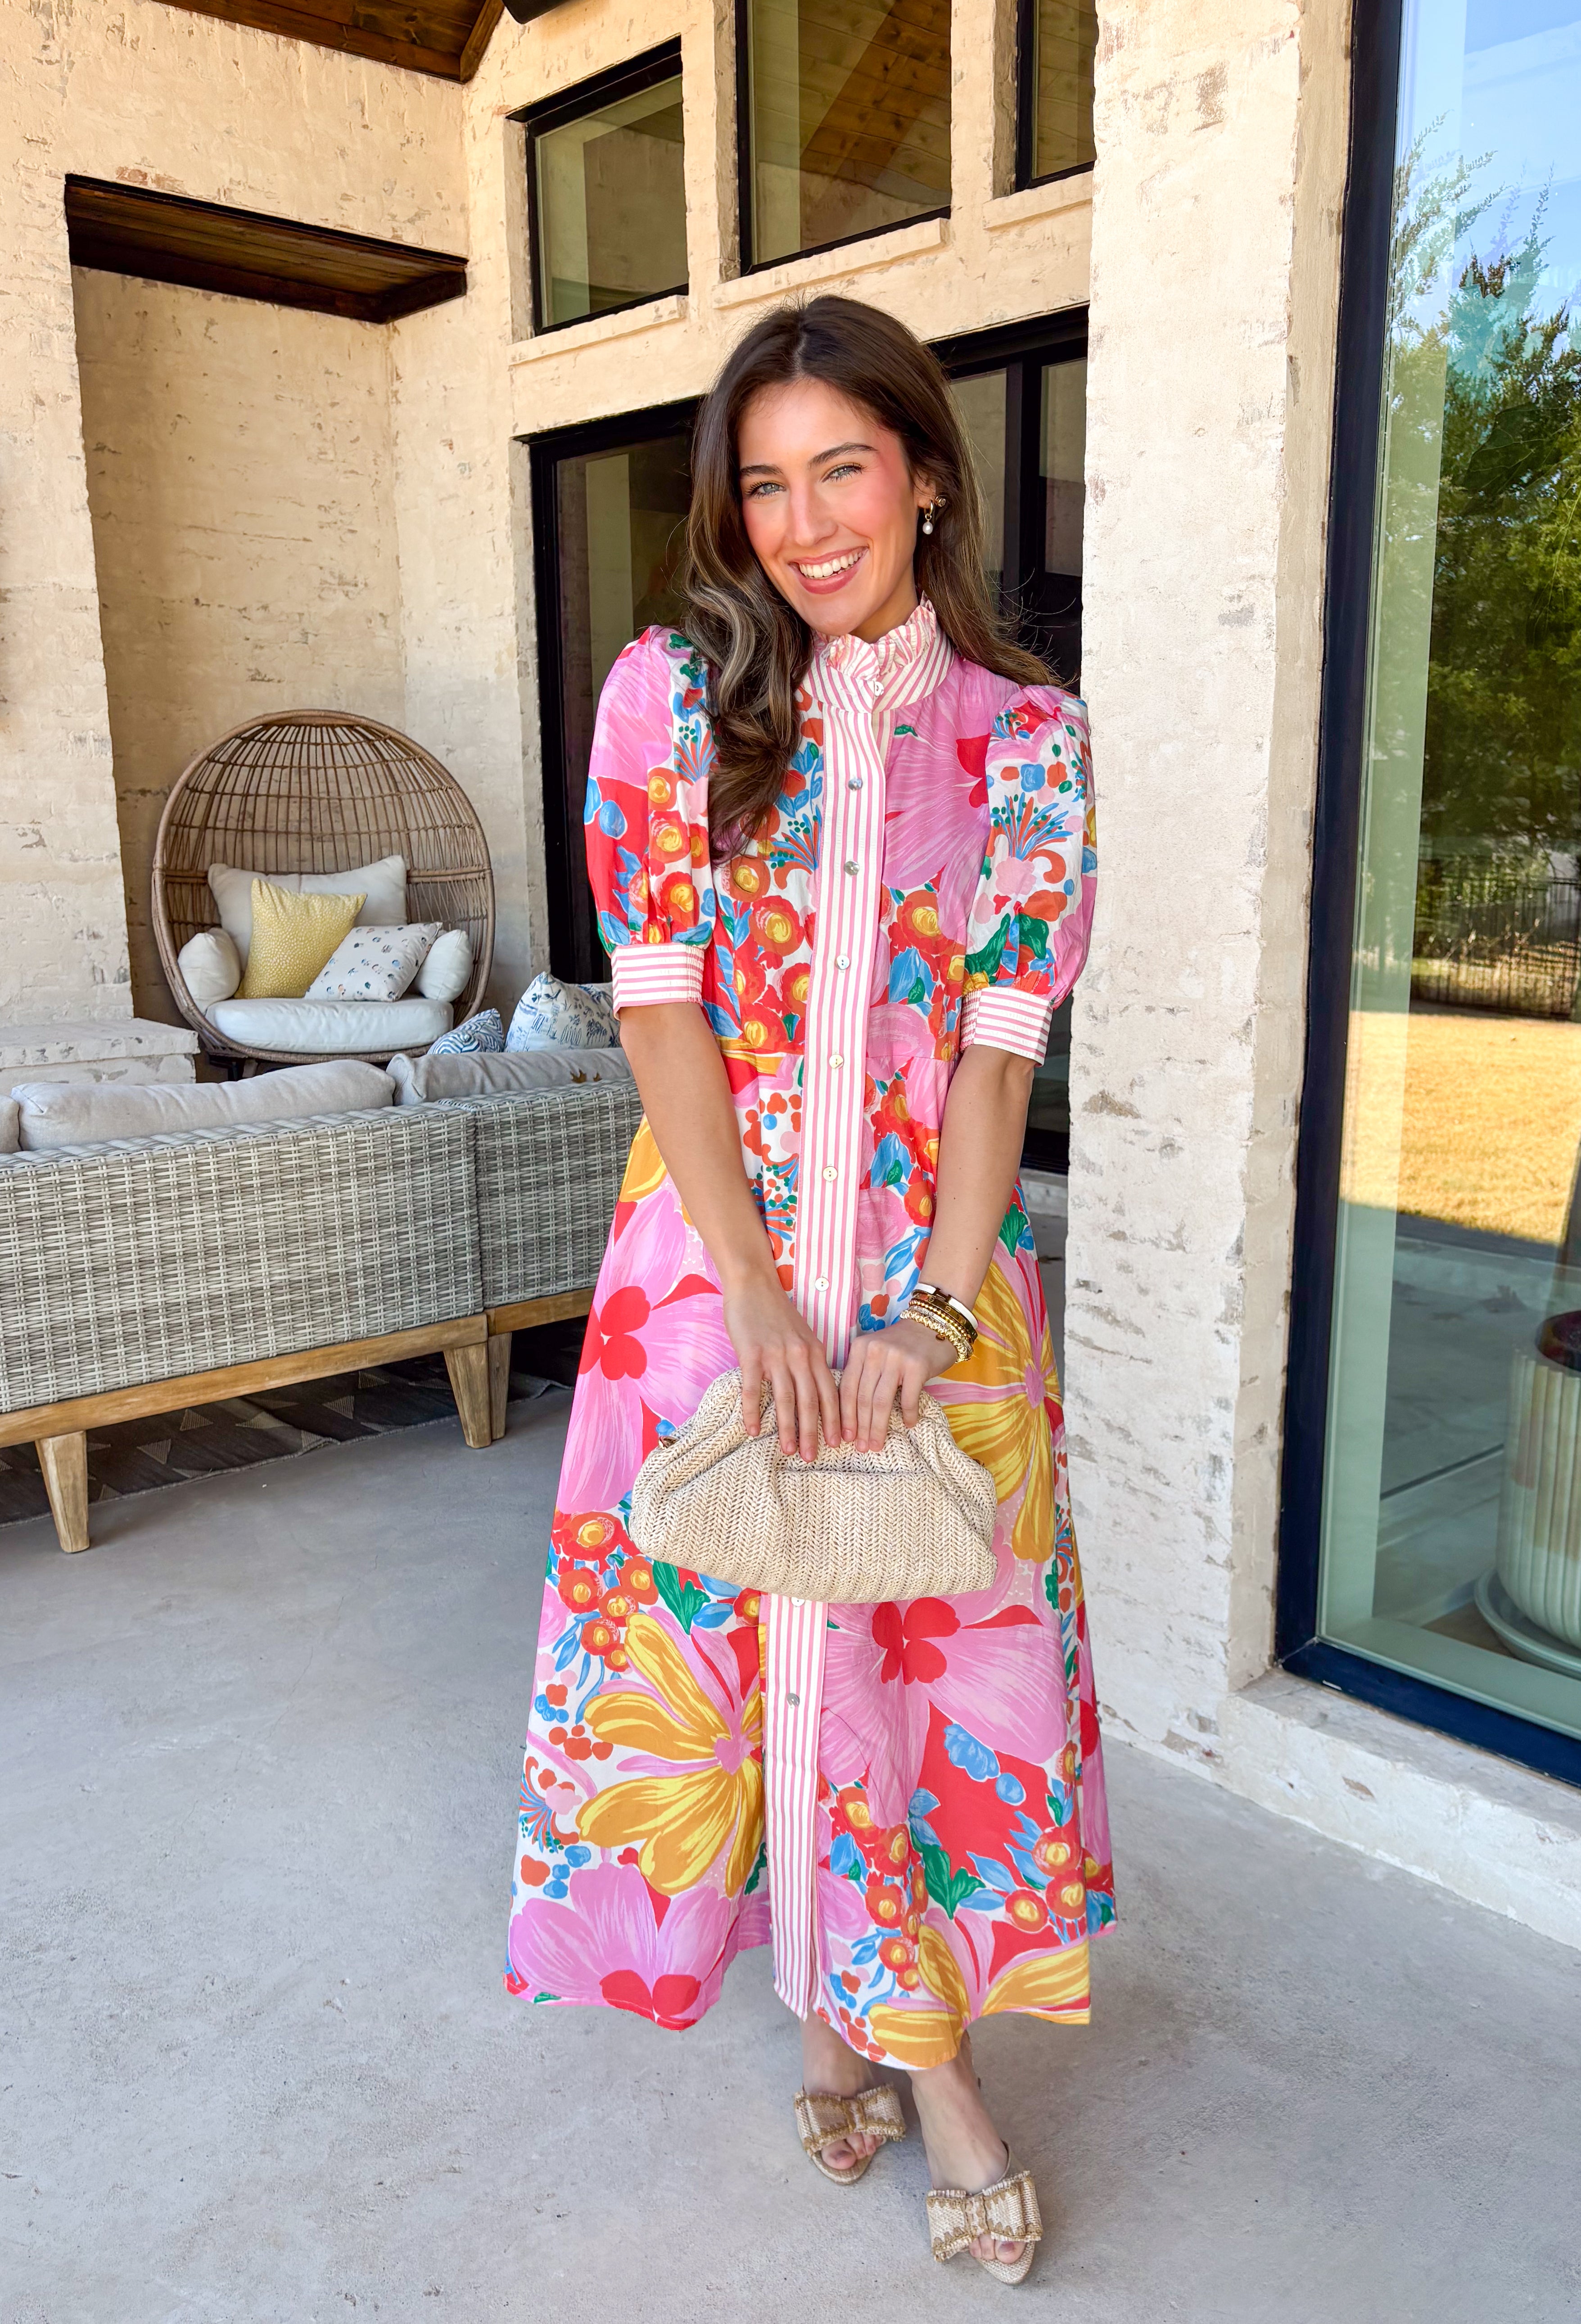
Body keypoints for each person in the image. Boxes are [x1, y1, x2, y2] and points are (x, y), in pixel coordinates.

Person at [506, 293, 1112, 2283]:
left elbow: (998, 1059)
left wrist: (929, 1318)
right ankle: (895, 2051)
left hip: (940, 1282)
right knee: (764, 1660)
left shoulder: (1024, 742)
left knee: (917, 1678)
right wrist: (762, 1299)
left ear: (923, 473)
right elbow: (662, 1020)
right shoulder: (669, 700)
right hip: (711, 1269)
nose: (801, 519)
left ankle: (881, 2033)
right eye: (760, 482)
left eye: (839, 464)